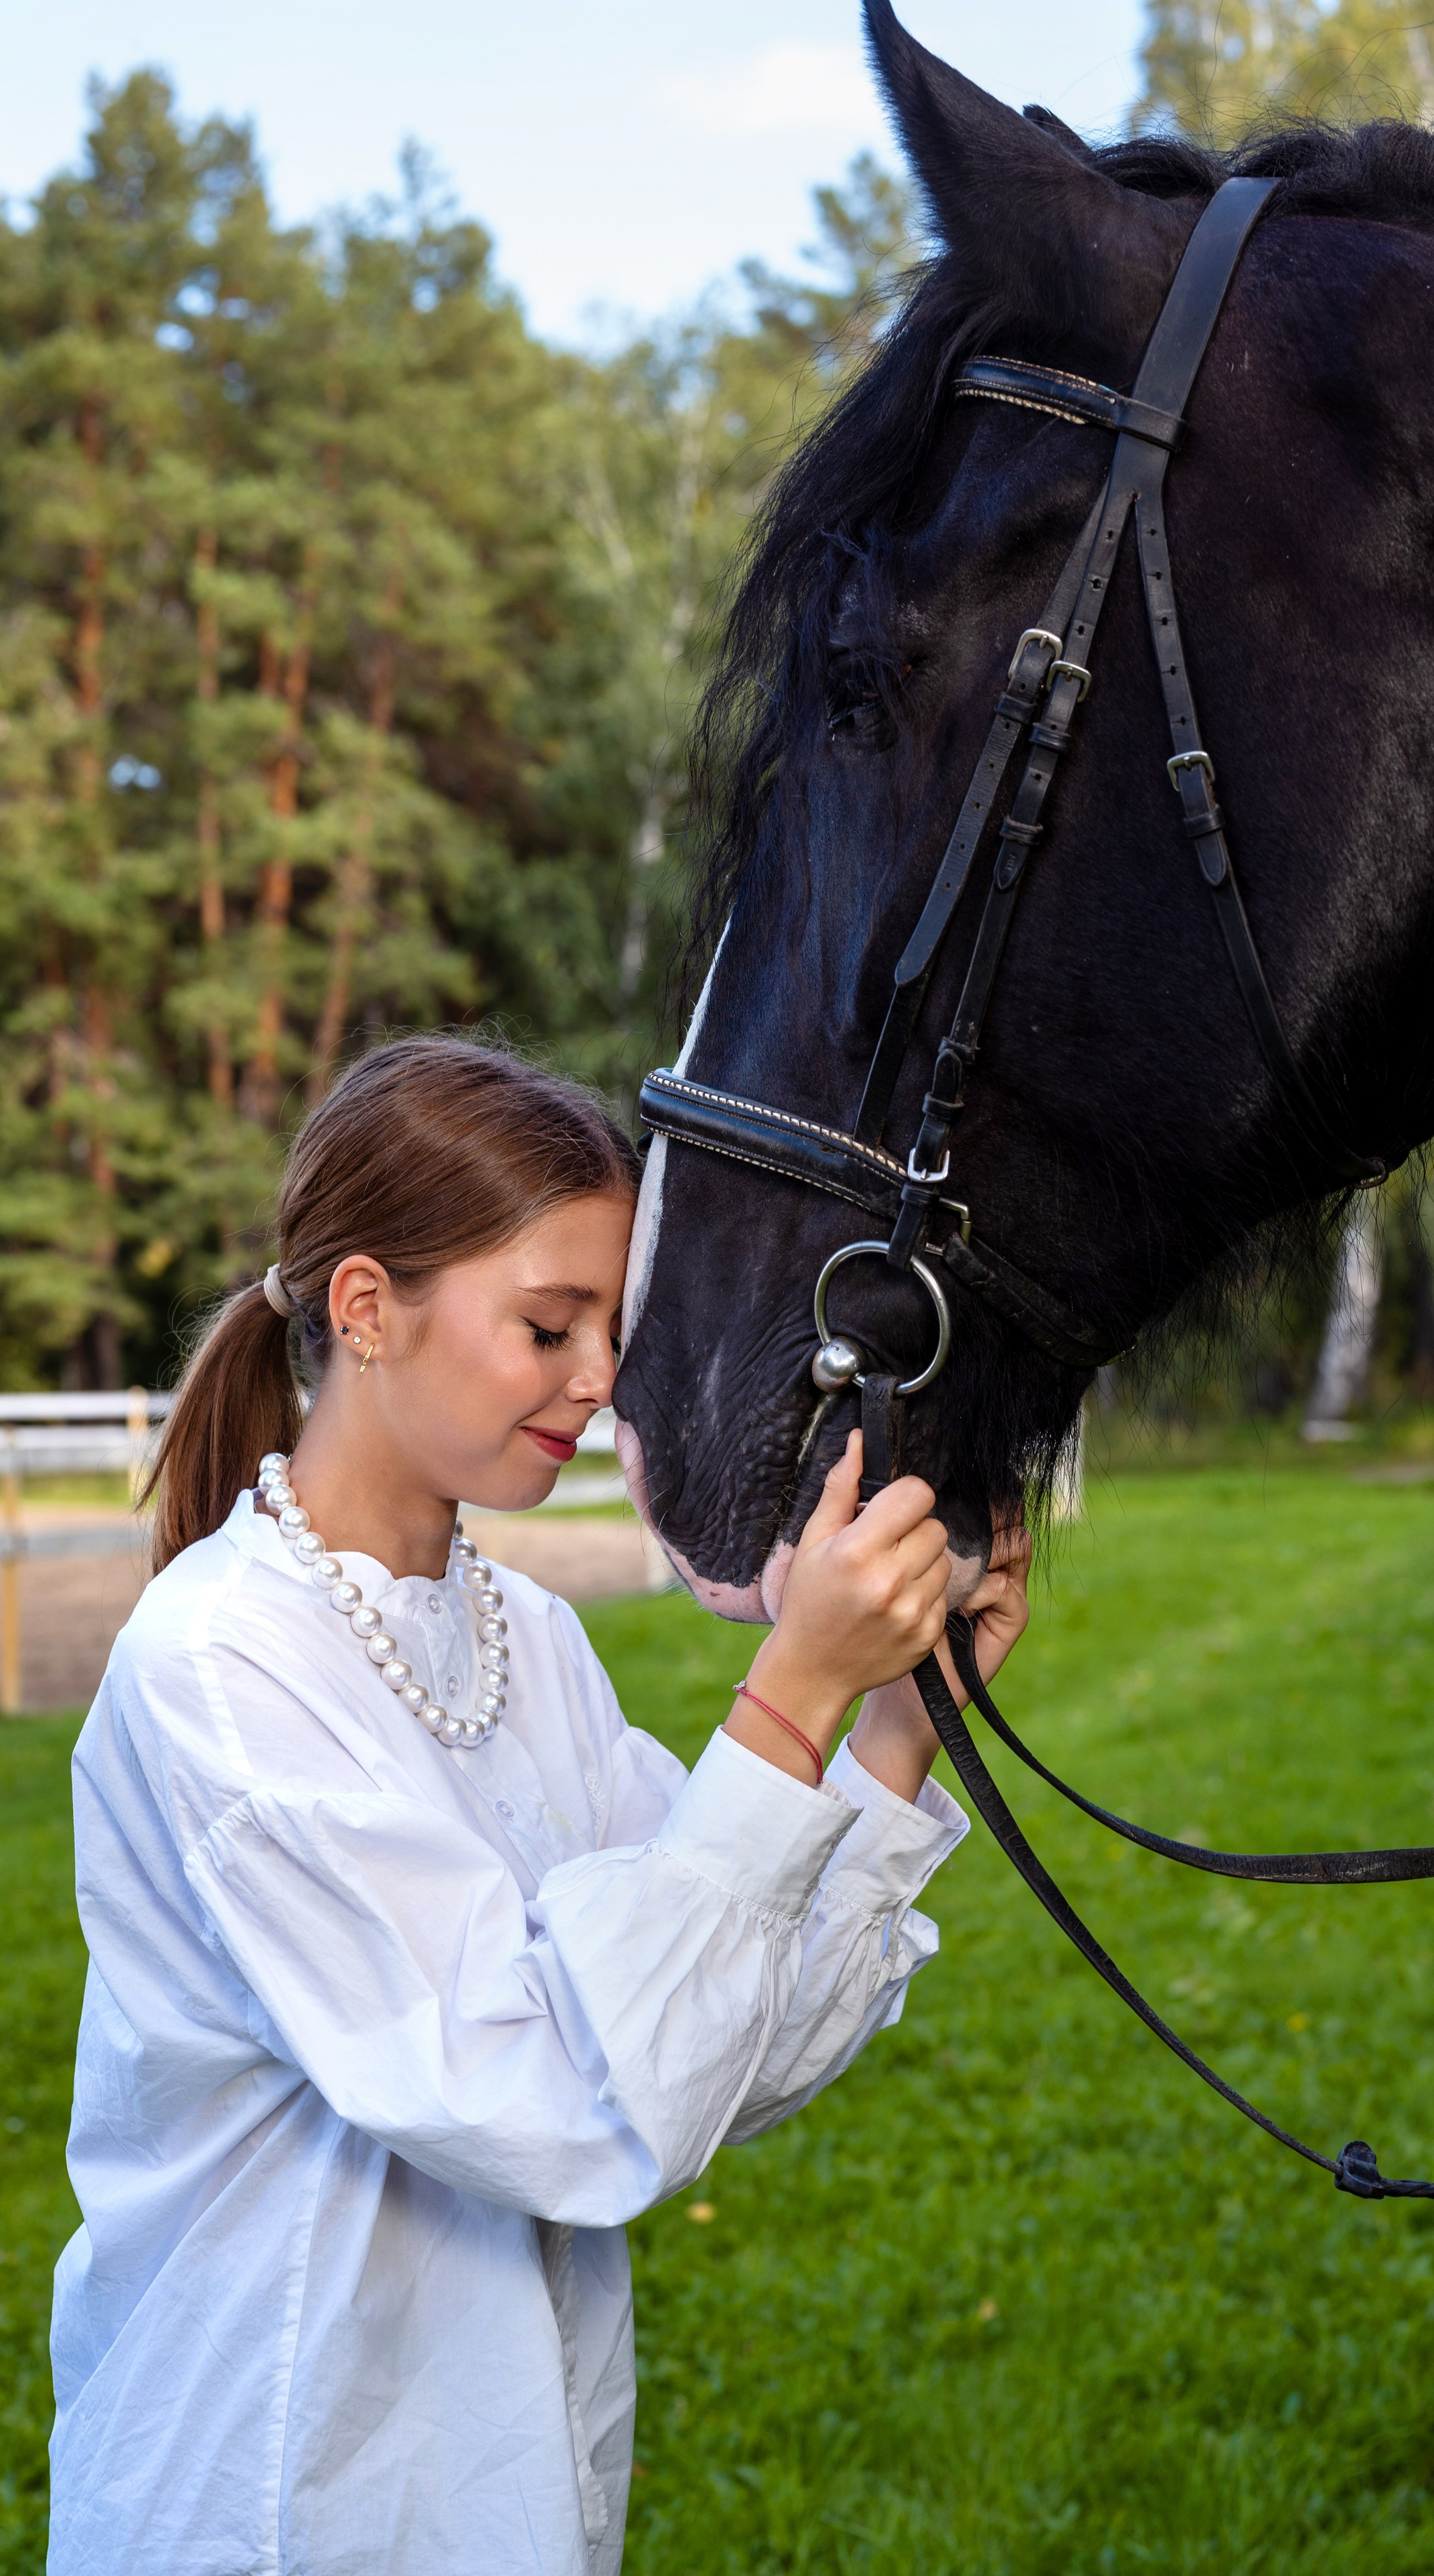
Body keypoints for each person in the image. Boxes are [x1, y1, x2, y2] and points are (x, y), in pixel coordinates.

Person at [46, 1036, 1029, 2576]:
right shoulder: (222, 1663)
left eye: (609, 1328)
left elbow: (702, 2047)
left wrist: (897, 1725)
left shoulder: (526, 1643)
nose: (599, 1380)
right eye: (548, 1324)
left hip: (501, 2483)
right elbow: (547, 2095)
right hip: (274, 2485)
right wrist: (787, 1697)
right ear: (367, 1308)